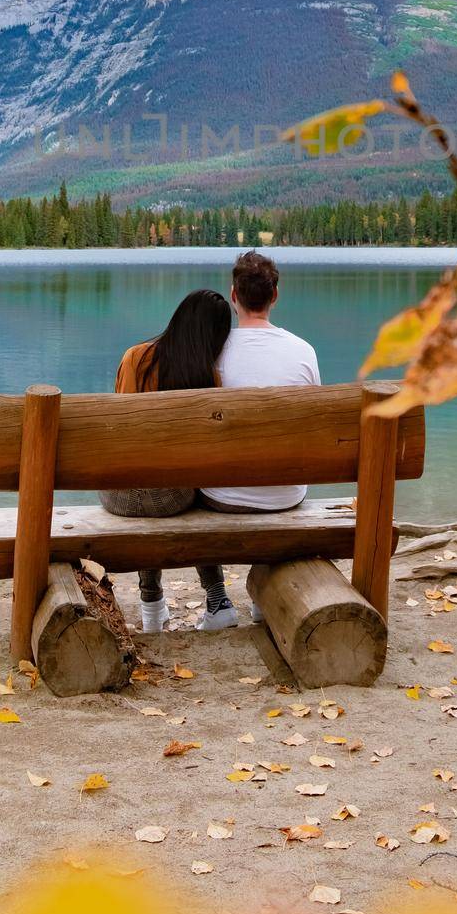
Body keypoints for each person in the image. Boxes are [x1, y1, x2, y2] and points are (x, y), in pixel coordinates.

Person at [100, 289, 240, 634]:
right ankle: (218, 598)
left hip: (119, 496)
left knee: (143, 475)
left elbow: (119, 434)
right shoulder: (210, 378)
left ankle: (151, 608)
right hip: (173, 499)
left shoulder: (136, 358)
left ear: (178, 320)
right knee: (200, 491)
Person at [200, 249, 321, 515]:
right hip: (285, 495)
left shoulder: (213, 351)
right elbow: (313, 425)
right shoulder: (304, 352)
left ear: (233, 296)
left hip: (222, 495)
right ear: (275, 296)